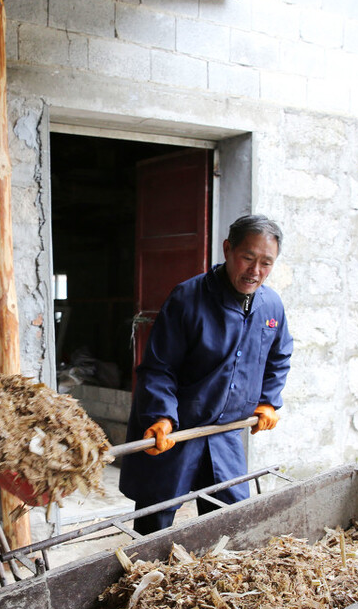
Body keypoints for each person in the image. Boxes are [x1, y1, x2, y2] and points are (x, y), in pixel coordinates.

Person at [118, 214, 293, 534]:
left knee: (231, 520)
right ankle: (143, 574)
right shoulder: (188, 299)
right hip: (177, 431)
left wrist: (268, 401)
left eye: (266, 262)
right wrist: (161, 416)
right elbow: (159, 368)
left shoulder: (271, 306)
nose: (255, 271)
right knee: (156, 518)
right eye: (247, 258)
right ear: (228, 250)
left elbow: (279, 356)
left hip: (225, 432)